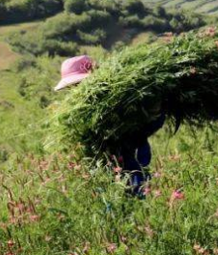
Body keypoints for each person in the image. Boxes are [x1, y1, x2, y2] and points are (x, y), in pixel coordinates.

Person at [54, 55, 165, 198]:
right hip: (104, 171)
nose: (75, 90)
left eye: (78, 85)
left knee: (134, 196)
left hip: (129, 163)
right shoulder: (79, 112)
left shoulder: (118, 101)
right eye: (72, 87)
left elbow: (153, 122)